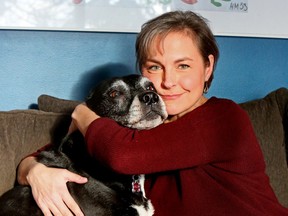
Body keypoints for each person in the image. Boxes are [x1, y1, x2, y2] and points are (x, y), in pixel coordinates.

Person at [17, 11, 288, 216]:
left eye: (183, 66)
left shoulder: (224, 117)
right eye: (155, 67)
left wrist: (83, 113)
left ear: (207, 67)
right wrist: (35, 172)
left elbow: (123, 155)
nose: (168, 82)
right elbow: (54, 152)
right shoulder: (145, 128)